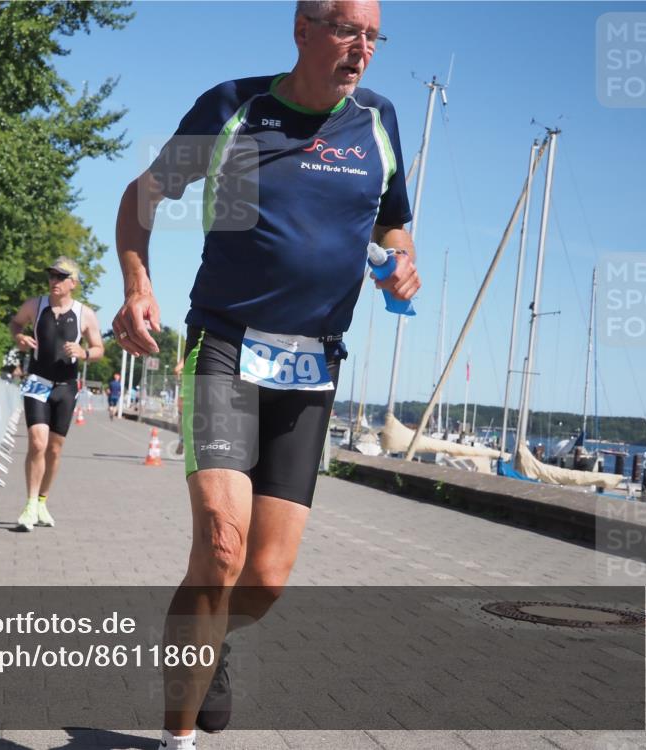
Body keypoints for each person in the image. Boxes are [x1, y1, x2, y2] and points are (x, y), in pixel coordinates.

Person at [112, 2, 420, 747]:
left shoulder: (377, 120)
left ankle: (209, 641)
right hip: (225, 348)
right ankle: (176, 740)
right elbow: (141, 196)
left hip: (311, 366)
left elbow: (393, 221)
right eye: (348, 31)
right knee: (221, 544)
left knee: (264, 581)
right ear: (304, 31)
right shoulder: (234, 109)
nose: (362, 50)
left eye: (374, 36)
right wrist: (136, 286)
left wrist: (402, 261)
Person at [9, 256, 104, 531]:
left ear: (73, 283)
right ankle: (28, 504)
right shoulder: (35, 305)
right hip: (37, 380)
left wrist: (84, 352)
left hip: (66, 386)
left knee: (54, 448)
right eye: (51, 276)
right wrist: (19, 337)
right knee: (37, 443)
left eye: (60, 277)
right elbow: (16, 323)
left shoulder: (84, 313)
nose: (54, 282)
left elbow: (99, 348)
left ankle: (42, 500)